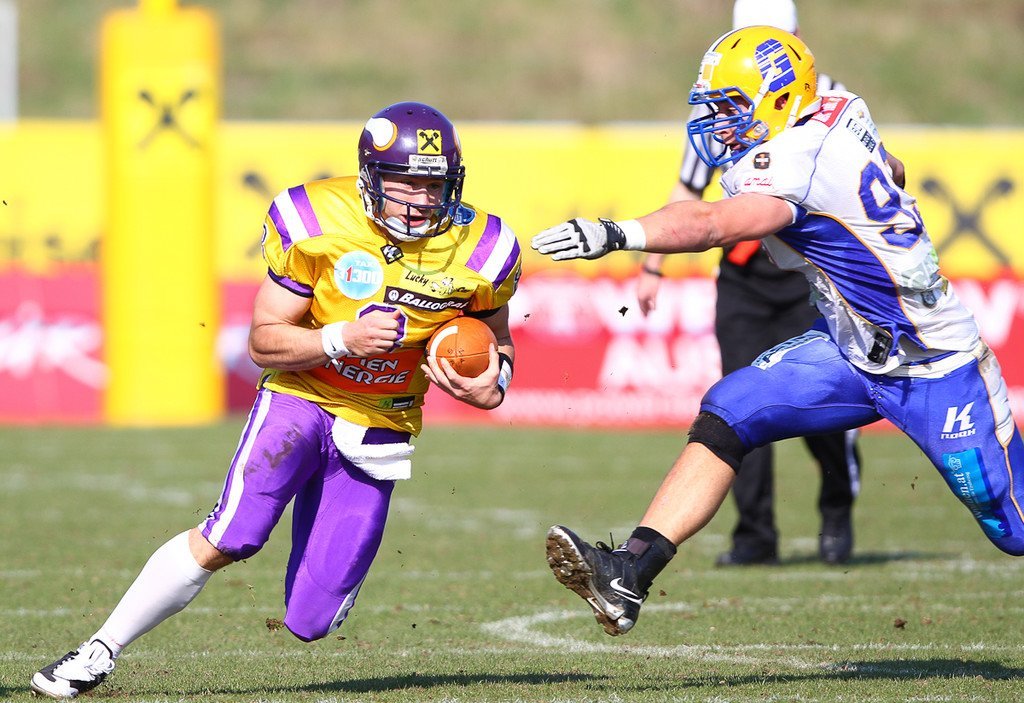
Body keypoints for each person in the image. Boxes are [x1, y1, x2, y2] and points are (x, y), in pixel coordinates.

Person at [533, 26, 1020, 638]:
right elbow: (892, 166)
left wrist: (616, 233)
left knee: (1012, 527)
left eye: (733, 107)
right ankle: (628, 572)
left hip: (933, 362)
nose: (719, 123)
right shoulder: (840, 109)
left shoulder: (792, 160)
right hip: (849, 349)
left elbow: (713, 224)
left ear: (782, 98)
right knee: (730, 408)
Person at [30, 101, 522, 698]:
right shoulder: (317, 219)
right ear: (371, 177)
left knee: (312, 621)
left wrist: (492, 384)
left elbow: (496, 340)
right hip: (302, 397)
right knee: (231, 534)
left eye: (433, 185)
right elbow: (263, 341)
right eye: (403, 183)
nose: (419, 200)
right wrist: (340, 339)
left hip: (382, 423)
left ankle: (326, 583)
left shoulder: (484, 248)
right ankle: (97, 651)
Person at [636, 0, 862, 567]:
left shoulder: (833, 105)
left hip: (811, 277)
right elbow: (691, 188)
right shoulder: (721, 101)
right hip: (744, 273)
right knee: (740, 400)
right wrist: (652, 266)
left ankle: (836, 510)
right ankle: (755, 534)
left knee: (823, 407)